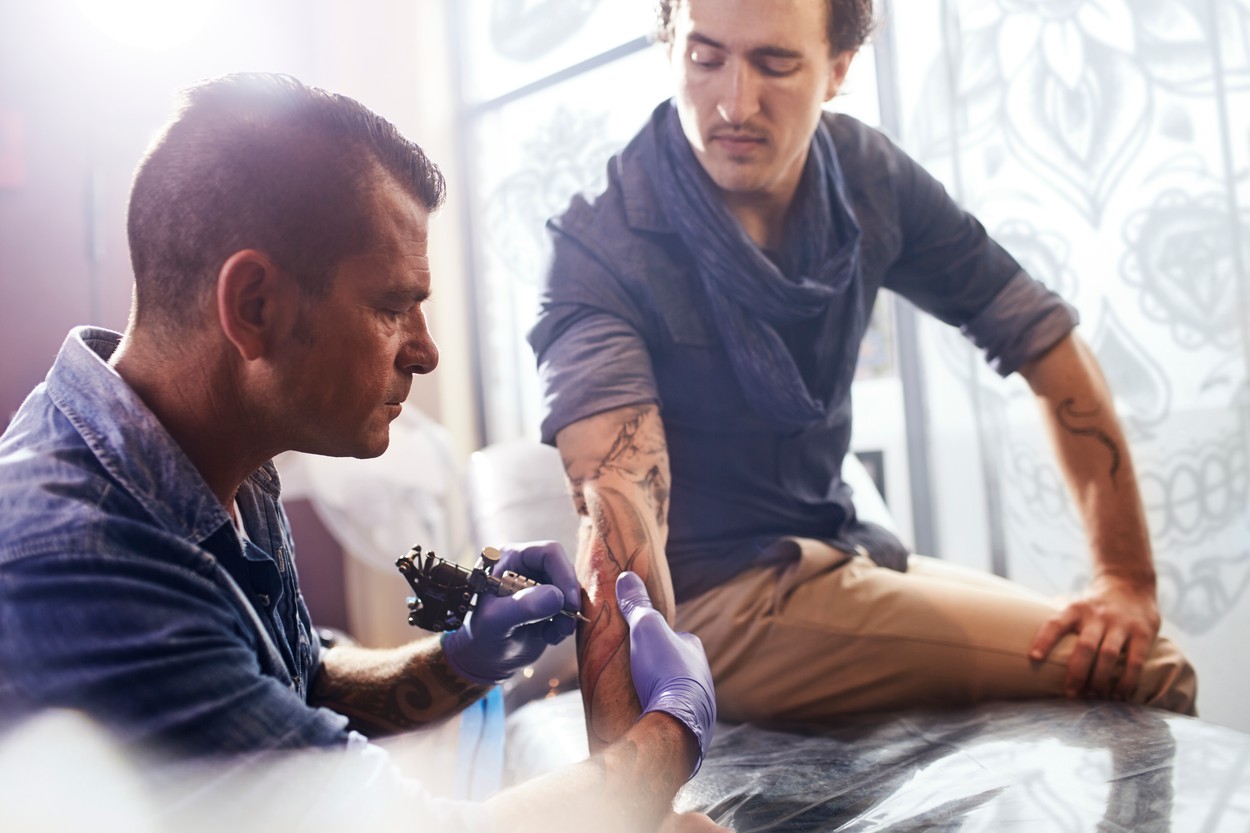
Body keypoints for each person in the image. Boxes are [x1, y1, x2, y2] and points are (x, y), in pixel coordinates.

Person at [0, 72, 718, 833]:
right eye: (390, 307)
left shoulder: (217, 463)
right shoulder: (79, 564)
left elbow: (297, 685)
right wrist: (671, 730)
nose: (428, 351)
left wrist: (463, 658)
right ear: (254, 306)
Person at [528, 0, 1197, 750]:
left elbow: (1041, 335)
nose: (734, 102)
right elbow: (615, 522)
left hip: (836, 545)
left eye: (775, 64)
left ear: (838, 68)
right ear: (669, 45)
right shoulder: (601, 244)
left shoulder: (866, 176)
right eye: (705, 57)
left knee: (1126, 638)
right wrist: (632, 800)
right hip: (711, 602)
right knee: (1153, 668)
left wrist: (1125, 579)